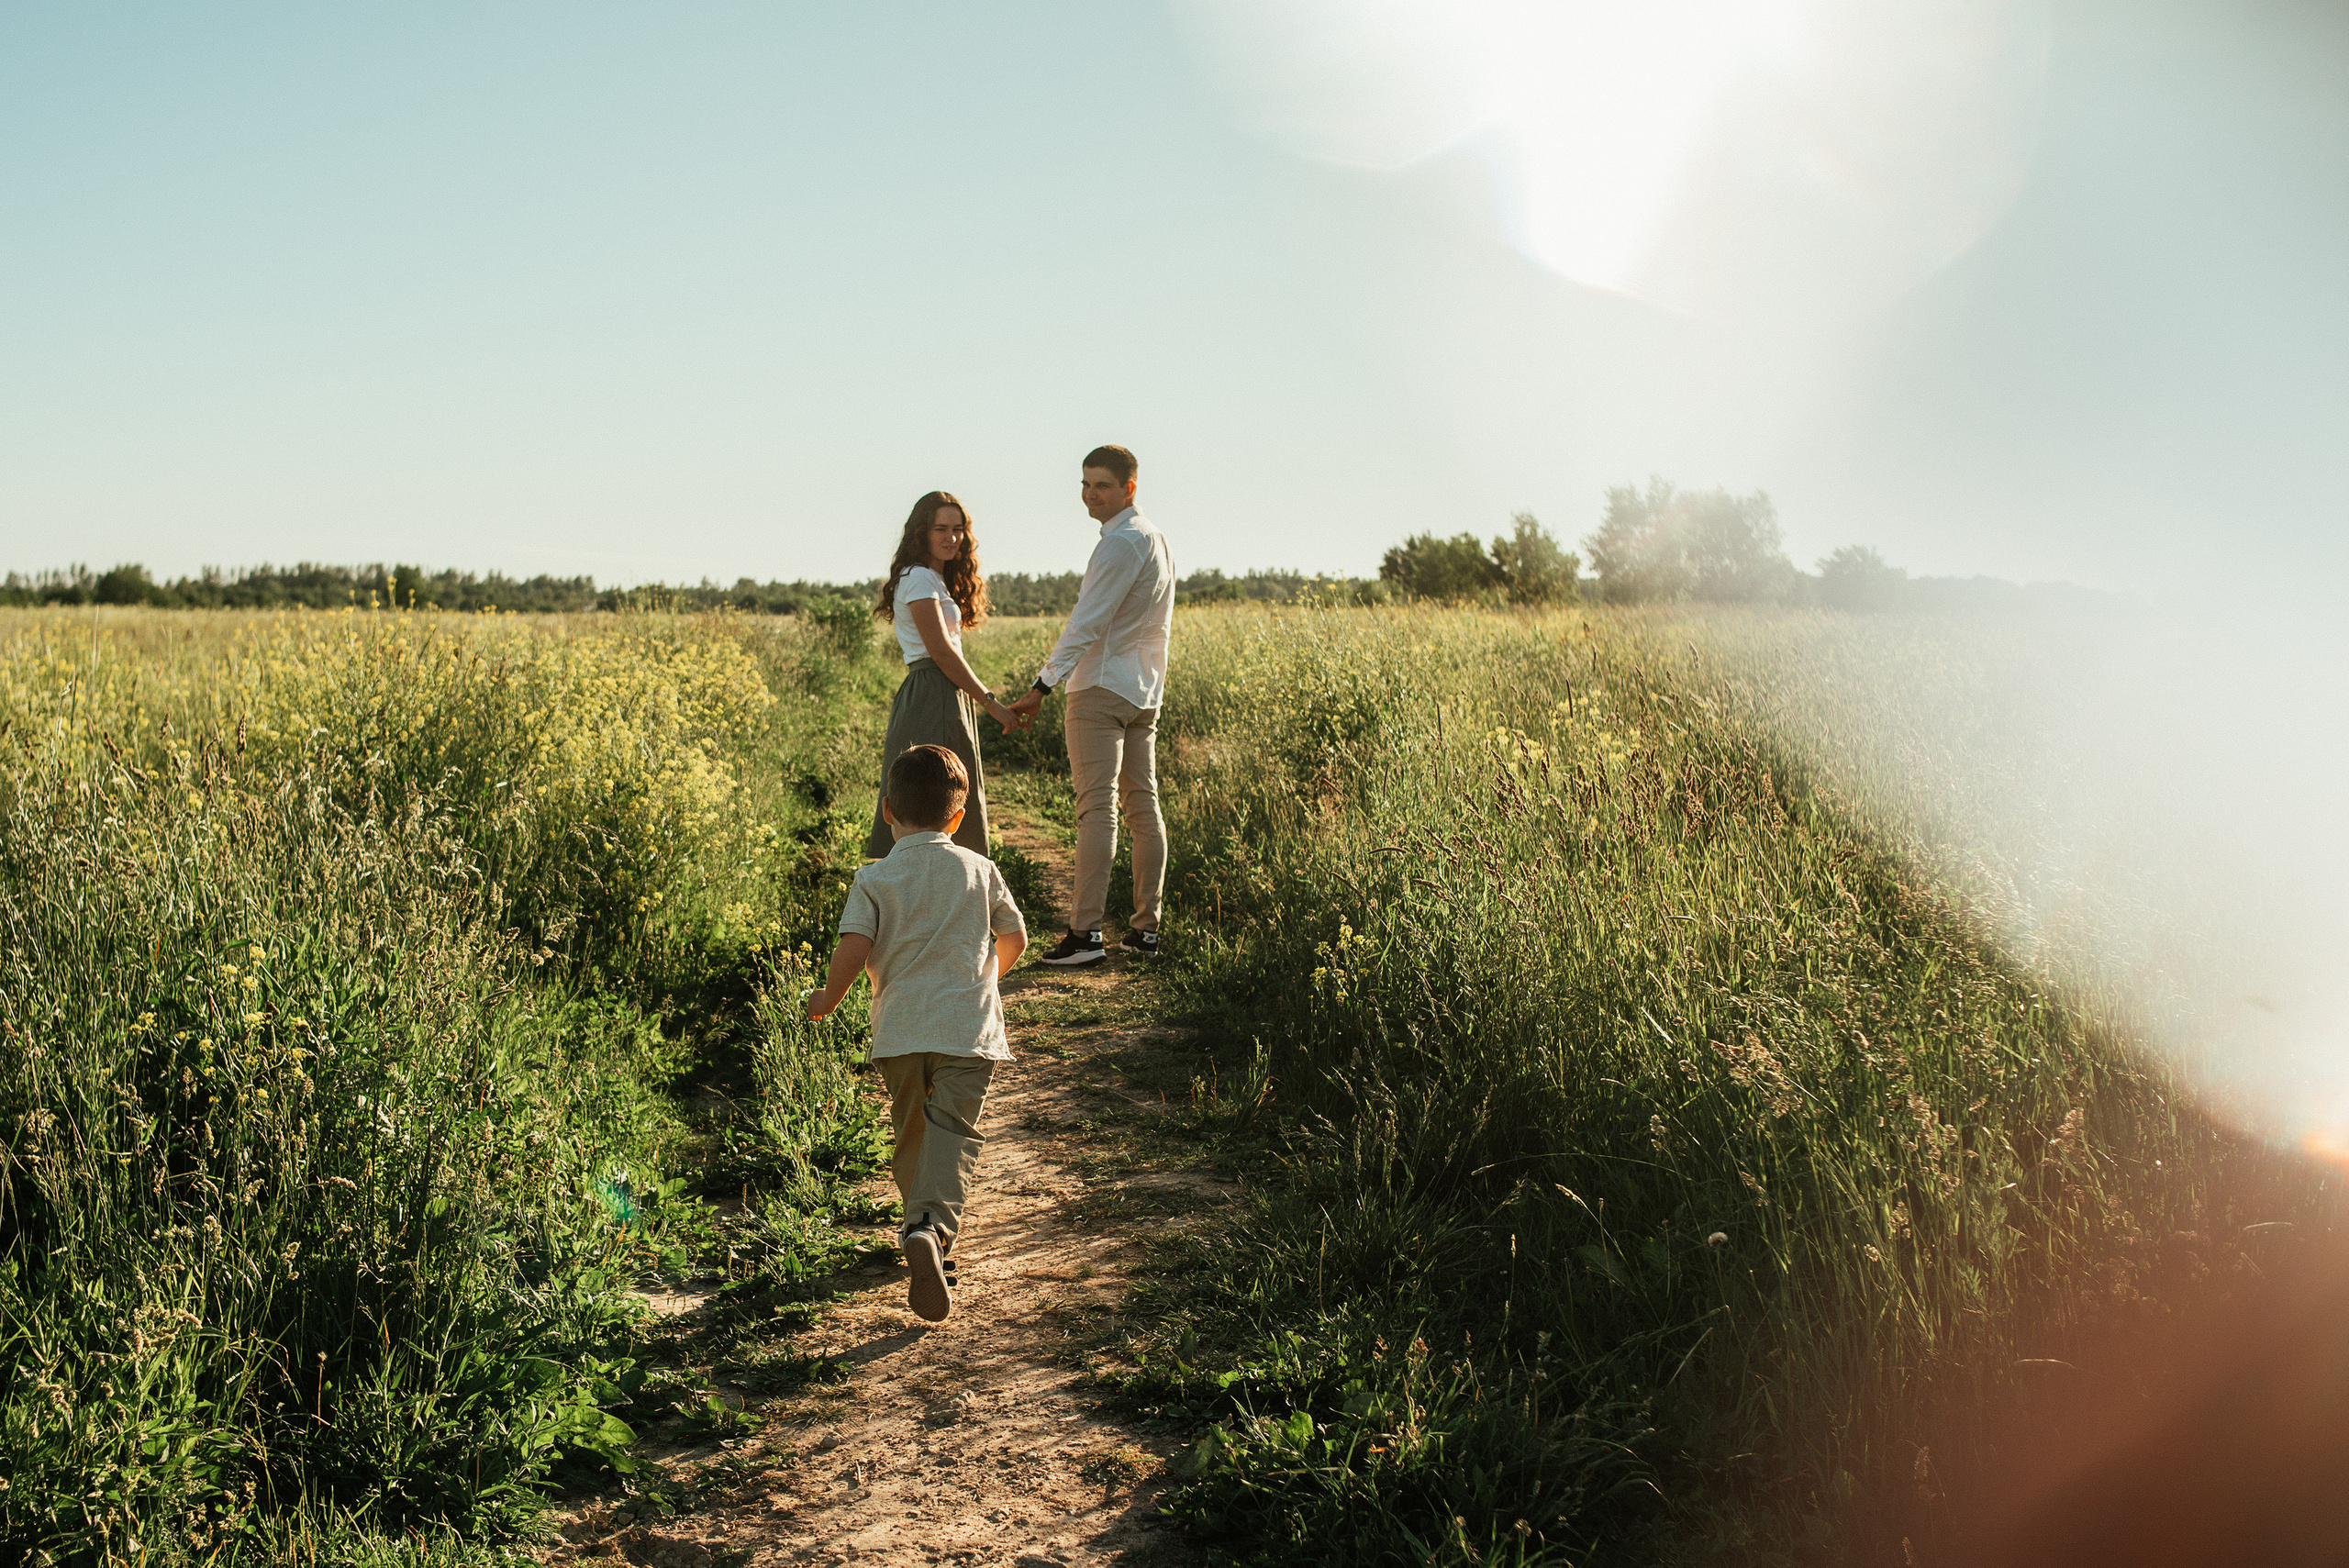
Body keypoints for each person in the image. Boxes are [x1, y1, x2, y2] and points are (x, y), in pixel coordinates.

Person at [807, 744, 1027, 1323]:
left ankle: (921, 1228)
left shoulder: (875, 877)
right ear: (959, 818)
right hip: (968, 1032)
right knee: (951, 1131)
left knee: (912, 1133)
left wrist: (828, 998)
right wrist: (987, 979)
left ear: (887, 811)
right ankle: (930, 1230)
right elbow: (1015, 937)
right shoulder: (979, 870)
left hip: (901, 1032)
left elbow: (854, 946)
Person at [1007, 445, 1174, 965]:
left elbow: (1086, 622)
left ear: (1129, 488)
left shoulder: (1120, 543)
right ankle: (1145, 932)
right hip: (1142, 692)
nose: (1089, 494)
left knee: (1097, 809)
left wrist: (1042, 685)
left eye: (1102, 485)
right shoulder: (1156, 539)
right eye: (1084, 484)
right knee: (1142, 806)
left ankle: (1085, 936)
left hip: (1101, 688)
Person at [865, 491, 1024, 862]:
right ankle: (929, 882)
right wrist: (992, 704)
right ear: (921, 532)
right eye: (941, 529)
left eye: (958, 529)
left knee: (941, 793)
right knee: (934, 795)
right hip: (932, 689)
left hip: (941, 690)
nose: (952, 538)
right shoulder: (919, 578)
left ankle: (947, 881)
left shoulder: (933, 578)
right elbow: (940, 651)